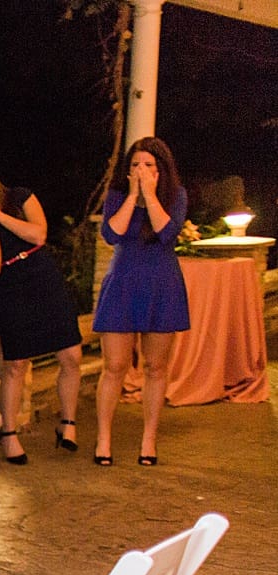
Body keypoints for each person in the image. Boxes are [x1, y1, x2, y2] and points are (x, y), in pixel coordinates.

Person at [0, 154, 84, 464]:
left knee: (71, 354)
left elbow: (39, 234)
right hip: (11, 285)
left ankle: (68, 423)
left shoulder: (20, 197)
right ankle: (9, 434)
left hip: (43, 274)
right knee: (16, 363)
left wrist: (0, 214)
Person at [90, 137, 189, 467]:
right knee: (115, 366)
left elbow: (167, 231)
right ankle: (104, 439)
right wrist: (134, 196)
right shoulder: (118, 195)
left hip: (161, 284)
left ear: (161, 169)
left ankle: (149, 438)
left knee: (155, 367)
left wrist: (150, 195)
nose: (141, 170)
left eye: (148, 165)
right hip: (123, 283)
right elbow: (111, 234)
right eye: (135, 165)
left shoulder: (176, 196)